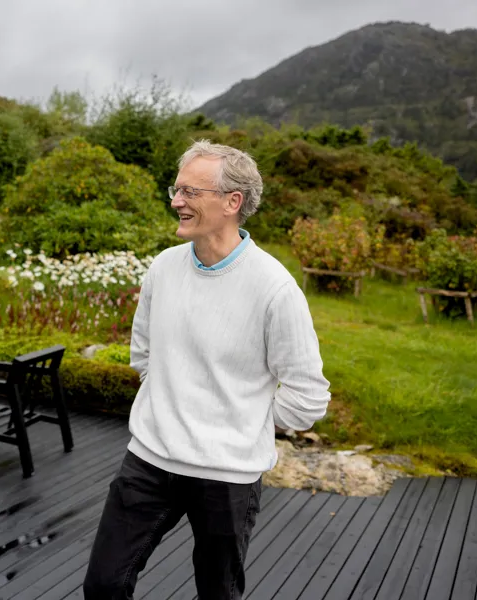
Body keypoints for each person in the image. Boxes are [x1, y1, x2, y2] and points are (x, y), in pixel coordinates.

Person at [82, 140, 331, 600]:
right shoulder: (163, 268)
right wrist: (168, 403)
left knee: (217, 594)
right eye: (176, 190)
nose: (176, 201)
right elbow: (144, 353)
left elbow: (308, 395)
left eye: (190, 192)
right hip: (150, 459)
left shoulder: (274, 288)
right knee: (103, 585)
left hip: (228, 476)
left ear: (232, 202)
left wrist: (242, 424)